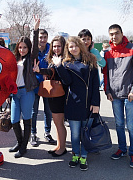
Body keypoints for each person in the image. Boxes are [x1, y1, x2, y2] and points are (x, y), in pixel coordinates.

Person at [53, 36, 100, 171]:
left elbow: (95, 84)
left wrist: (96, 103)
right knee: (74, 134)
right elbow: (67, 82)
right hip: (73, 103)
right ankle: (75, 155)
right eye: (70, 47)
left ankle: (84, 156)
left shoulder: (90, 61)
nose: (73, 49)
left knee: (85, 133)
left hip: (87, 103)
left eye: (75, 46)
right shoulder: (66, 63)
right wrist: (59, 66)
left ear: (80, 45)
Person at [103, 24, 133, 169]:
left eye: (117, 33)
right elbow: (105, 74)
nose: (114, 37)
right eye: (111, 34)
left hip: (129, 95)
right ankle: (122, 149)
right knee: (119, 124)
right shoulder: (107, 53)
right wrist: (107, 90)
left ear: (122, 33)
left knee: (131, 125)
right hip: (114, 95)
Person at [9, 15, 40, 158]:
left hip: (27, 93)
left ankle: (23, 147)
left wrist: (35, 29)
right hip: (15, 93)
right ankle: (19, 142)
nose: (22, 50)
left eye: (25, 47)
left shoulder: (31, 58)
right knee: (14, 120)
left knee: (27, 119)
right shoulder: (14, 59)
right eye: (20, 47)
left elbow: (34, 45)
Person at [33, 35, 67, 157]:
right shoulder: (54, 58)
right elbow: (50, 72)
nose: (56, 48)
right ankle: (59, 145)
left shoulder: (65, 59)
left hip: (60, 95)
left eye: (59, 46)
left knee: (59, 123)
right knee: (57, 123)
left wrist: (57, 66)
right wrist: (40, 71)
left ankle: (62, 148)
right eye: (54, 46)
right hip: (54, 95)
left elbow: (60, 75)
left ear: (63, 47)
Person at [31, 28, 56, 147]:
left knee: (48, 111)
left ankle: (47, 133)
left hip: (47, 86)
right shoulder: (33, 51)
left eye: (45, 37)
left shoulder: (51, 50)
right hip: (35, 86)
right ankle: (33, 133)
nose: (42, 40)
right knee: (33, 112)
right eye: (40, 37)